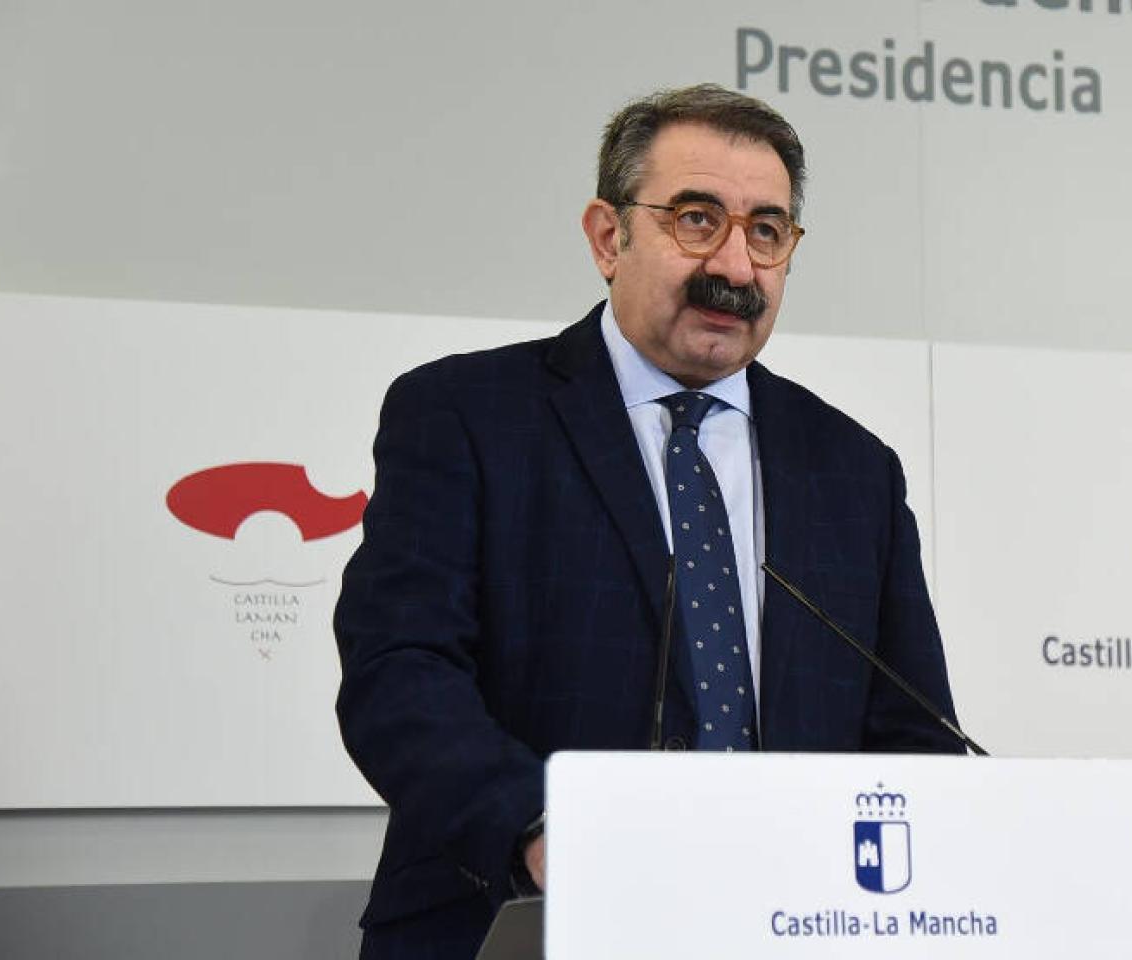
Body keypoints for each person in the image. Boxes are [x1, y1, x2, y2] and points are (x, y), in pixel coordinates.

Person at [334, 83, 962, 959]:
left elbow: (916, 737)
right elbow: (398, 671)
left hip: (792, 930)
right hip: (517, 922)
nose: (737, 268)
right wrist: (543, 828)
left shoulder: (853, 469)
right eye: (697, 219)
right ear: (607, 236)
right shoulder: (466, 414)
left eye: (767, 232)